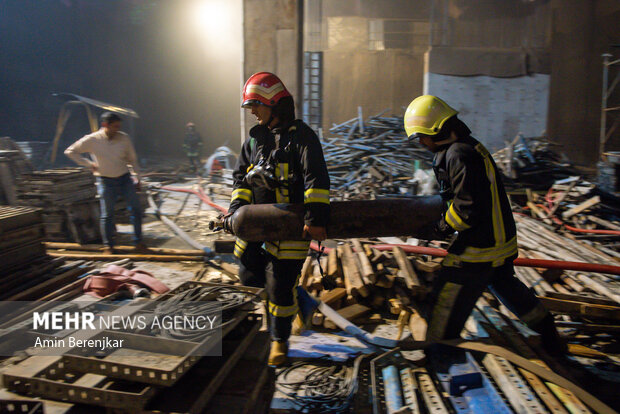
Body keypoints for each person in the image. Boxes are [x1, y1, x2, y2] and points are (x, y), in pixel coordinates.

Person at [404, 95, 566, 356]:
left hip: (480, 247)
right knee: (506, 287)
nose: (421, 142)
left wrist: (440, 229)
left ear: (438, 130)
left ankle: (439, 352)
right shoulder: (466, 147)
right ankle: (549, 334)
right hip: (499, 242)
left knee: (446, 295)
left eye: (422, 136)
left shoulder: (458, 155)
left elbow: (467, 208)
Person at [226, 72, 330, 366]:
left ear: (274, 104)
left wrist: (316, 218)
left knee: (280, 288)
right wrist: (236, 214)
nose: (253, 112)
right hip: (256, 227)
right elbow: (240, 181)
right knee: (248, 276)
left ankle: (279, 341)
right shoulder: (254, 141)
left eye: (256, 105)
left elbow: (316, 180)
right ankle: (303, 301)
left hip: (290, 227)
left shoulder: (302, 138)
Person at [65, 112, 145, 255]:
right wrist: (89, 164)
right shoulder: (92, 140)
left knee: (136, 210)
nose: (117, 130)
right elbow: (70, 151)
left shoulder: (124, 138)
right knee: (107, 214)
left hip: (124, 178)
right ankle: (109, 246)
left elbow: (132, 160)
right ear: (105, 125)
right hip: (106, 180)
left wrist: (137, 178)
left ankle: (138, 242)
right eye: (114, 127)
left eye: (119, 127)